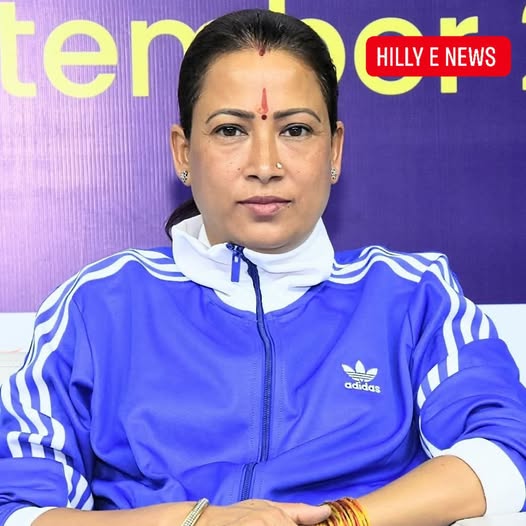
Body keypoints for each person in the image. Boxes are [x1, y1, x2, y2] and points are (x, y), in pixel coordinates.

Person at [0, 8, 525, 526]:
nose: (265, 166)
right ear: (182, 153)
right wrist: (201, 524)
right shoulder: (98, 305)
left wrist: (343, 521)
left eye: (295, 130)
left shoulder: (413, 296)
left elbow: (507, 452)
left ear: (335, 150)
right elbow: (19, 509)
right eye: (231, 130)